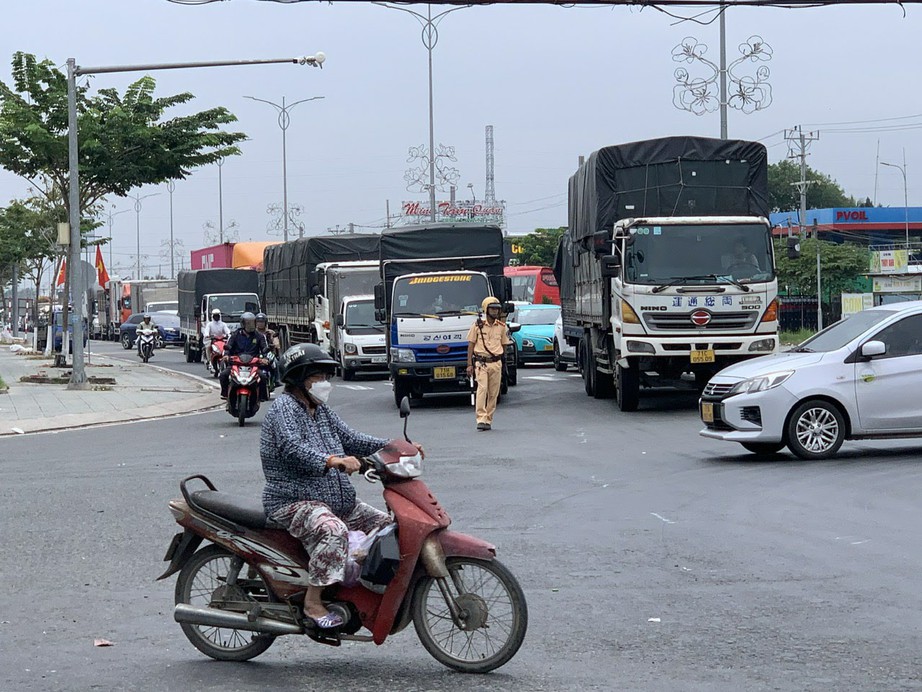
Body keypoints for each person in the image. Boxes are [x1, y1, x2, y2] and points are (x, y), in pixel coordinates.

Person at [260, 343, 425, 629]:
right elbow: (292, 447)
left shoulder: (320, 410)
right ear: (299, 379)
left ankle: (355, 586)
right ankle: (313, 602)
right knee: (333, 530)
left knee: (389, 527)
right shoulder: (284, 409)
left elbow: (351, 438)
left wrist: (395, 447)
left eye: (326, 376)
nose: (325, 383)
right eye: (318, 377)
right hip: (292, 502)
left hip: (338, 502)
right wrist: (332, 460)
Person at [466, 297, 512, 431]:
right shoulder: (477, 326)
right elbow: (471, 345)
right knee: (482, 388)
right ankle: (481, 418)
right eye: (492, 309)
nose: (495, 311)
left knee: (494, 393)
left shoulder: (502, 327)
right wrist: (469, 364)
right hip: (481, 362)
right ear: (486, 310)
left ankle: (488, 419)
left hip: (496, 363)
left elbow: (504, 345)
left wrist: (504, 362)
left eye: (497, 309)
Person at [220, 311, 270, 401]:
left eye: (252, 322)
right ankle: (225, 394)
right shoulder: (235, 335)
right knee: (223, 375)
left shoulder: (259, 336)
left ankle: (262, 396)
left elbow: (264, 348)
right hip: (236, 363)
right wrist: (226, 355)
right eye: (248, 323)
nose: (251, 325)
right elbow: (228, 346)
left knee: (263, 377)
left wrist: (265, 358)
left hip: (253, 364)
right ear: (243, 324)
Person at [255, 312, 281, 388]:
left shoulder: (270, 332)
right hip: (256, 352)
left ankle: (277, 380)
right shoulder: (254, 333)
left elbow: (276, 342)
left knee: (275, 362)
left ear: (265, 322)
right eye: (259, 322)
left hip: (268, 352)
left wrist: (275, 345)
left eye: (262, 322)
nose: (260, 324)